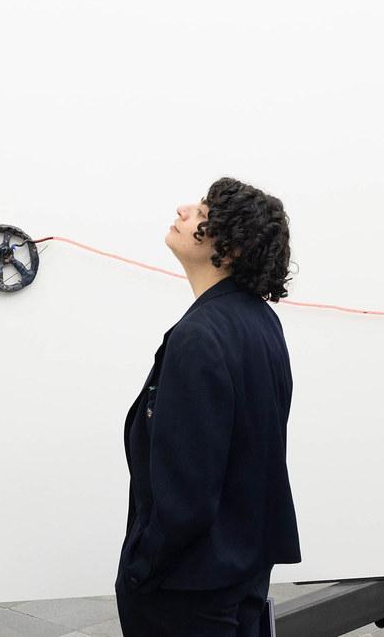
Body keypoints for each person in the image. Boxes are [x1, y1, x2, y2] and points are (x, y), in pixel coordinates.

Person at [115, 176, 301, 636]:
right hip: (240, 575)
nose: (183, 211)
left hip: (189, 590)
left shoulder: (200, 336)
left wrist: (141, 568)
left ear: (230, 249)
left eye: (202, 213)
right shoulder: (261, 322)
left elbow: (188, 491)